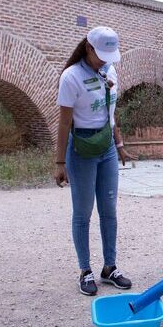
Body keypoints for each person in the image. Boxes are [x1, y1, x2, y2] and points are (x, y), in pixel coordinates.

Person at [54, 26, 136, 296]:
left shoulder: (110, 71)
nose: (105, 60)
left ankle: (109, 267)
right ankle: (85, 270)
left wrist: (120, 144)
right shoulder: (71, 76)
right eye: (101, 54)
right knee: (83, 213)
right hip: (81, 149)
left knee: (109, 210)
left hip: (107, 148)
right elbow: (64, 121)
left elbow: (110, 111)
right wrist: (59, 162)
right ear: (88, 48)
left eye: (109, 55)